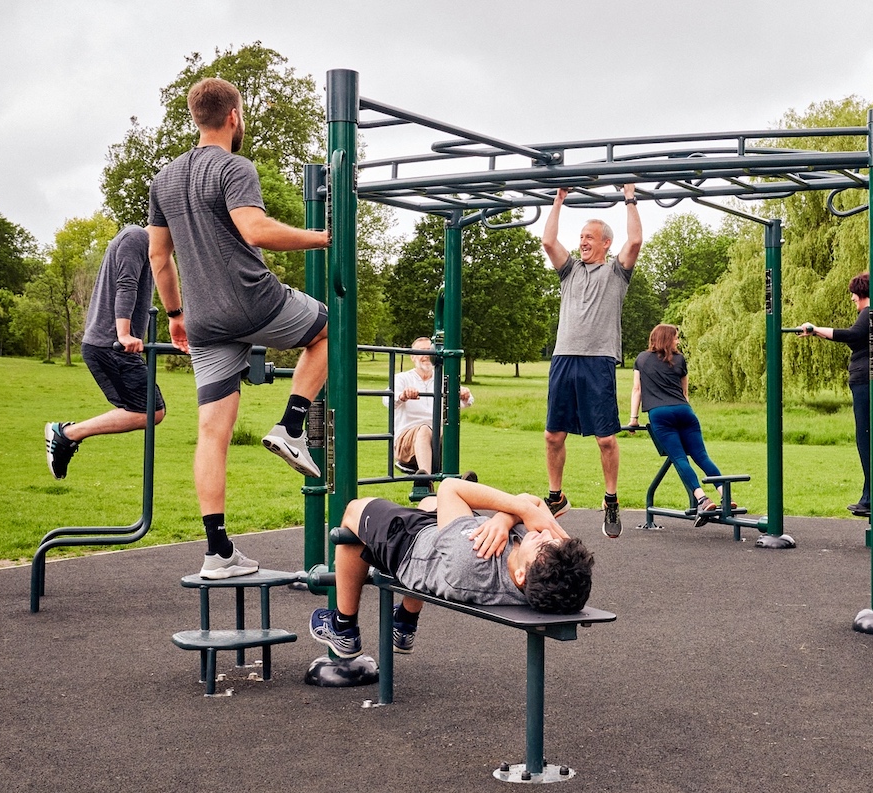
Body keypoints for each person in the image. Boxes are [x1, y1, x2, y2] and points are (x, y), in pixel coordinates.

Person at [146, 77, 331, 580]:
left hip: (203, 319)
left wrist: (175, 314)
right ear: (233, 116)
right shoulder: (234, 166)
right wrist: (322, 237)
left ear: (195, 117)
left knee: (212, 432)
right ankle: (292, 426)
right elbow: (255, 230)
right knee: (330, 330)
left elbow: (159, 257)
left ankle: (217, 552)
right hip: (251, 299)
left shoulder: (163, 179)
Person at [308, 478, 596, 658]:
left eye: (543, 543)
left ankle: (343, 628)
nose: (546, 535)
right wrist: (504, 521)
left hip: (412, 549)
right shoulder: (547, 567)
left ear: (521, 575)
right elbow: (531, 504)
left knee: (355, 512)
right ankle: (405, 622)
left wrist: (515, 513)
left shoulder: (472, 560)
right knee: (429, 502)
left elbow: (451, 487)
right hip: (451, 540)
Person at [541, 184, 642, 539]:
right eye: (581, 236)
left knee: (606, 440)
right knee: (553, 435)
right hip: (564, 359)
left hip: (597, 361)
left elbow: (635, 241)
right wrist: (558, 200)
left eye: (589, 237)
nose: (582, 242)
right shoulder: (568, 272)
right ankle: (556, 496)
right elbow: (548, 241)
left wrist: (629, 196)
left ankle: (611, 499)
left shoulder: (616, 273)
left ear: (605, 244)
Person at [44, 225, 166, 479]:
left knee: (151, 410)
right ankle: (67, 434)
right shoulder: (137, 238)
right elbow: (126, 284)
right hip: (110, 345)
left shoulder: (145, 243)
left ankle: (67, 434)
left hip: (109, 345)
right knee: (151, 411)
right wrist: (123, 334)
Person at [798, 271, 873, 517]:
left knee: (867, 439)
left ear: (861, 293)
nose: (852, 299)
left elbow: (852, 335)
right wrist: (816, 332)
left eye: (854, 295)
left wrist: (814, 328)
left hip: (869, 381)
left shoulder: (870, 313)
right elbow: (855, 337)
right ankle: (870, 496)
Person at [629, 324, 729, 526]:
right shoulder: (680, 359)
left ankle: (702, 498)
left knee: (679, 458)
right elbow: (685, 393)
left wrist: (634, 419)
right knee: (702, 456)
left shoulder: (641, 359)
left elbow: (637, 389)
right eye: (675, 338)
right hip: (685, 411)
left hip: (660, 414)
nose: (678, 341)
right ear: (667, 339)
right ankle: (725, 496)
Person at [384, 337, 473, 475]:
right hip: (406, 440)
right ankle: (426, 480)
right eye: (421, 352)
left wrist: (464, 394)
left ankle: (453, 480)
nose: (426, 355)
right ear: (412, 357)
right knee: (425, 429)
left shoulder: (441, 379)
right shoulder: (402, 378)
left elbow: (467, 401)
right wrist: (403, 396)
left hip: (435, 435)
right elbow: (387, 400)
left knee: (449, 431)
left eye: (430, 351)